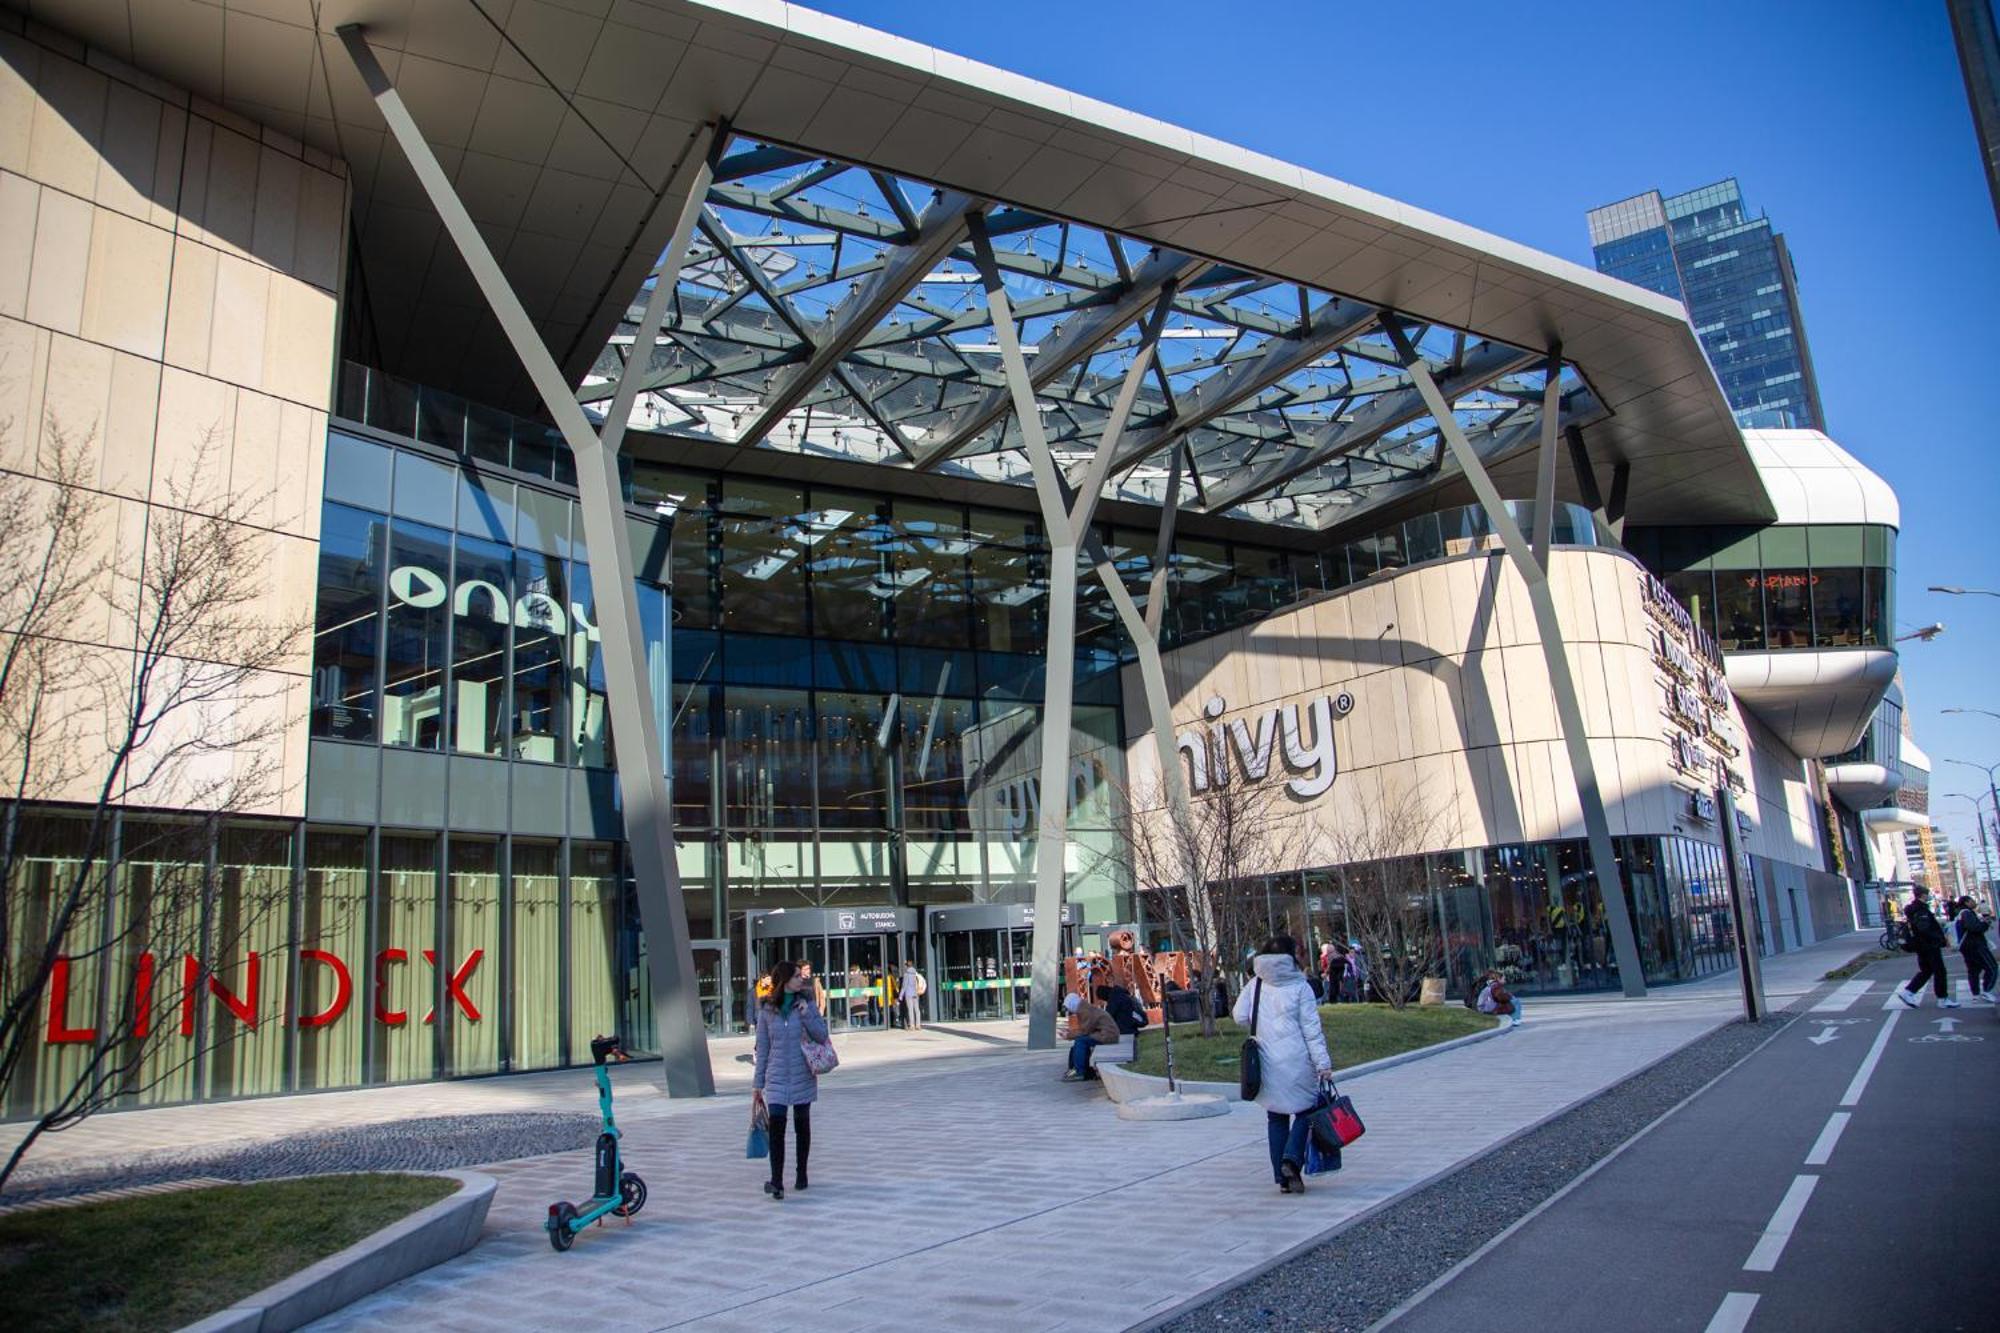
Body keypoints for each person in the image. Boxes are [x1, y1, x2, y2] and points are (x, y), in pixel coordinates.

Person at [1232, 936, 1333, 1195]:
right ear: (1290, 957)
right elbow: (1312, 1030)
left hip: (1266, 1061)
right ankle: (1291, 1159)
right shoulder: (1301, 987)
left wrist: (1261, 1025)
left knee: (1276, 1117)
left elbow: (1239, 1016)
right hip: (1298, 1060)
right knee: (1307, 1109)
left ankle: (1282, 1178)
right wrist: (1323, 1063)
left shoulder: (1255, 984)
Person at [752, 959, 829, 1200]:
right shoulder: (767, 1010)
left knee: (801, 1125)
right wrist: (758, 1084)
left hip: (802, 1073)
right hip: (776, 1076)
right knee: (777, 1126)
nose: (801, 979)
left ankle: (801, 1172)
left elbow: (822, 1035)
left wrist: (808, 1015)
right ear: (784, 980)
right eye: (796, 976)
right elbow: (763, 1048)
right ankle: (776, 1181)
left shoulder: (806, 1003)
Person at [1893, 886, 1959, 1009]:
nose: (1929, 896)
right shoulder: (1921, 910)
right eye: (1927, 894)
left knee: (1927, 970)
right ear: (1923, 895)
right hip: (1929, 945)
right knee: (1939, 971)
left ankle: (1908, 992)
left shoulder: (1915, 908)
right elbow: (1924, 928)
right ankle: (1942, 998)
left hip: (1921, 945)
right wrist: (1940, 938)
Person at [1062, 991, 1119, 1082]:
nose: (1069, 1011)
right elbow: (1086, 1029)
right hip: (1104, 1033)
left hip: (1107, 1035)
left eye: (1068, 1008)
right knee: (1080, 1042)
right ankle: (1076, 1068)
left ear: (1072, 1005)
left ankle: (1080, 1072)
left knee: (1081, 1041)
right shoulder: (1084, 1008)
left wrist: (1068, 1035)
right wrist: (1071, 1033)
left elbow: (1084, 1031)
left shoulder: (1085, 1011)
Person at [1952, 896, 1997, 1003]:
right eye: (1972, 901)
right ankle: (1987, 991)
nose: (1974, 902)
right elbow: (1973, 927)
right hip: (1976, 945)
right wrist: (1985, 924)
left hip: (1966, 946)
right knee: (1992, 967)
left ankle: (1975, 994)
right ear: (1967, 902)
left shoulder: (1960, 913)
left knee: (1973, 970)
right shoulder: (1966, 913)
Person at [900, 959, 926, 1030]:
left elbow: (904, 986)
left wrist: (900, 996)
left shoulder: (906, 974)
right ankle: (918, 1025)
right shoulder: (915, 974)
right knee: (917, 1009)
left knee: (910, 1009)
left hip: (909, 994)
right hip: (915, 993)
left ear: (907, 966)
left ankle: (912, 1025)